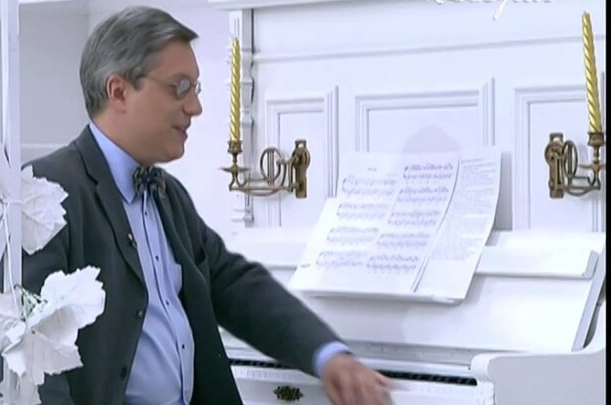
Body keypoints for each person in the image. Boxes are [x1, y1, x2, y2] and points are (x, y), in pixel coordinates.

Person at [22, 5, 391, 405]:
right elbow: (30, 354)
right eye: (179, 87)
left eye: (195, 88)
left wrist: (328, 356)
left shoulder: (168, 195)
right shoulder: (44, 191)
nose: (195, 107)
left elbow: (235, 285)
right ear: (119, 91)